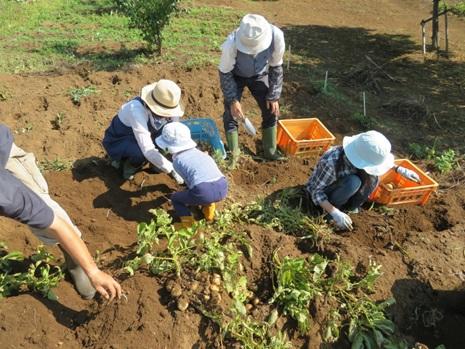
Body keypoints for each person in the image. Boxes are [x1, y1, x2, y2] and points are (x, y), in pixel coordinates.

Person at [0, 124, 121, 301]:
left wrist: (93, 271)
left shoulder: (8, 195)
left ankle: (75, 264)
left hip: (4, 151)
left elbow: (55, 224)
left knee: (44, 204)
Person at [306, 130, 420, 231]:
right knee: (353, 182)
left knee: (373, 178)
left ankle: (350, 208)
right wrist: (335, 212)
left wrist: (399, 169)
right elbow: (315, 191)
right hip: (326, 196)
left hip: (343, 188)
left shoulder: (363, 151)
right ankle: (332, 212)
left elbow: (376, 160)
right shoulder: (331, 163)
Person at [219, 13, 285, 165]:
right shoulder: (231, 43)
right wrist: (233, 100)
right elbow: (225, 73)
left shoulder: (276, 37)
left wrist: (274, 95)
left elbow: (276, 66)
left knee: (271, 109)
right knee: (231, 113)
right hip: (235, 75)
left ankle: (270, 150)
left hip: (260, 74)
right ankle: (234, 153)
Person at [102, 79, 185, 183]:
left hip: (147, 135)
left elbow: (175, 128)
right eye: (164, 113)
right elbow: (147, 149)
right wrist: (171, 169)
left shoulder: (168, 104)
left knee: (168, 134)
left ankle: (157, 163)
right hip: (122, 138)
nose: (167, 116)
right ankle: (127, 167)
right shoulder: (136, 110)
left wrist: (182, 157)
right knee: (140, 153)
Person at [155, 122, 228, 228]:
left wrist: (192, 197)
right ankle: (209, 213)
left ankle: (188, 224)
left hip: (203, 191)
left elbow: (190, 184)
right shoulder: (200, 153)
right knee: (205, 191)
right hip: (222, 186)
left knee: (176, 198)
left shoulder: (178, 161)